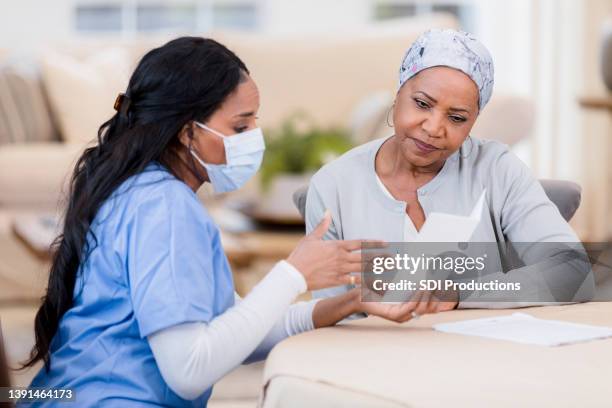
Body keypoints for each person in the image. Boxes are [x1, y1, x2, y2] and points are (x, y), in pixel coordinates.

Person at [19, 37, 414, 407]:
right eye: (240, 126)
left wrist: (346, 303)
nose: (254, 137)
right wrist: (295, 273)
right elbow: (190, 369)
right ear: (188, 132)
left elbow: (234, 330)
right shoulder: (165, 207)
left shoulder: (139, 189)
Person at [307, 29, 594, 315]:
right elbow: (325, 315)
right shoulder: (333, 185)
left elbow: (573, 272)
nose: (433, 128)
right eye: (421, 103)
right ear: (397, 96)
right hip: (369, 356)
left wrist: (459, 294)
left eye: (456, 118)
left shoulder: (497, 169)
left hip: (481, 352)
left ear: (473, 123)